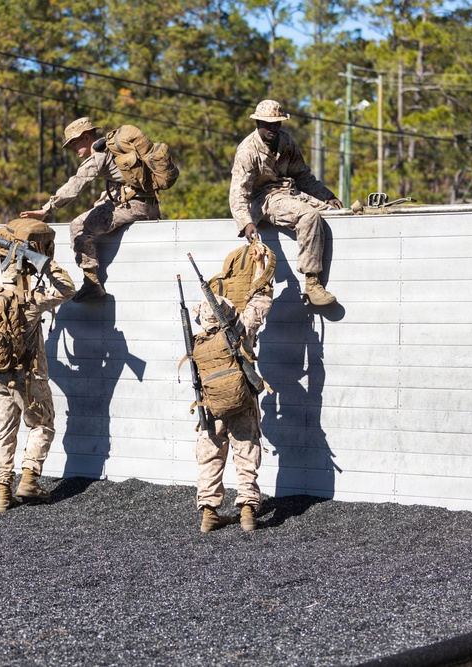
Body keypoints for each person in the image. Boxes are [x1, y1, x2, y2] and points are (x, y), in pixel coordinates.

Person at [0, 230, 76, 514]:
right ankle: (29, 479)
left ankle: (3, 493)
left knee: (5, 432)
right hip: (28, 379)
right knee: (42, 424)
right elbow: (68, 289)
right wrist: (45, 262)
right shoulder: (31, 300)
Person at [20, 117, 161, 302]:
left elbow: (76, 184)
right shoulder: (113, 150)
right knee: (97, 207)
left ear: (87, 138)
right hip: (148, 205)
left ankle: (91, 283)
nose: (71, 147)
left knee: (78, 226)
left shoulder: (99, 155)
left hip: (133, 206)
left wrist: (46, 209)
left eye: (74, 142)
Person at [190, 242, 273, 533]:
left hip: (211, 408)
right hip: (242, 402)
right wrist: (260, 265)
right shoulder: (241, 330)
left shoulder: (198, 343)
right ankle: (248, 510)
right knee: (246, 451)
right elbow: (261, 299)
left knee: (211, 456)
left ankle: (209, 512)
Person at [229, 99, 342, 306]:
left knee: (338, 214)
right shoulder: (248, 150)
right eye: (268, 123)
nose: (273, 128)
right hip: (265, 199)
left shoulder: (286, 141)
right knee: (309, 216)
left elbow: (302, 175)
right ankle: (312, 283)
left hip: (291, 192)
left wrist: (327, 196)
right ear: (258, 124)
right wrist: (246, 222)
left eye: (277, 123)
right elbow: (238, 191)